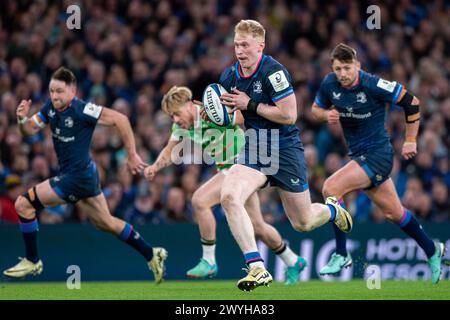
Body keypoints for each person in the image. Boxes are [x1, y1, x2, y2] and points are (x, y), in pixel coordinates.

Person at [217, 20, 352, 291]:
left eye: (245, 45)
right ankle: (256, 267)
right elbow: (239, 117)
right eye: (236, 44)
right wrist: (220, 115)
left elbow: (289, 115)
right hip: (256, 145)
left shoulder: (274, 71)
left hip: (284, 147)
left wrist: (250, 103)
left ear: (260, 45)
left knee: (303, 223)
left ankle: (331, 210)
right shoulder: (229, 76)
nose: (240, 50)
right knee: (229, 196)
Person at [3, 67, 168, 284]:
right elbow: (30, 130)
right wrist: (22, 121)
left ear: (73, 90)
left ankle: (33, 260)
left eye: (60, 91)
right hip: (85, 176)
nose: (55, 96)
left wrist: (132, 154)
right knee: (106, 223)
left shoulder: (83, 109)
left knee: (23, 204)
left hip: (76, 178)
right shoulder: (50, 108)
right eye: (52, 91)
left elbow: (121, 119)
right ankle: (151, 253)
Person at [144, 85, 307, 285]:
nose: (175, 120)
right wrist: (155, 166)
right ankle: (293, 260)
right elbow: (170, 150)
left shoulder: (210, 110)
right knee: (257, 226)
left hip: (243, 164)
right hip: (229, 171)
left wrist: (221, 115)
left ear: (188, 105)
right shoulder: (181, 127)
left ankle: (209, 260)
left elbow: (241, 118)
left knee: (199, 200)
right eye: (171, 117)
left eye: (176, 114)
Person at [311, 43, 445, 284]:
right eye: (338, 68)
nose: (342, 73)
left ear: (358, 66)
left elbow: (412, 102)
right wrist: (325, 115)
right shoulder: (330, 84)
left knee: (331, 188)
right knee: (394, 213)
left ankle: (341, 253)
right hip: (360, 157)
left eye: (347, 67)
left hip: (378, 155)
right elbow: (315, 109)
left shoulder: (373, 84)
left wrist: (411, 140)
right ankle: (432, 249)